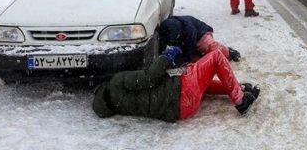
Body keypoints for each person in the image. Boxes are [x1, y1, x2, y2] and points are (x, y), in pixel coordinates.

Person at [92, 46, 260, 122]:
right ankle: (240, 101)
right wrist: (166, 55)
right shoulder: (116, 82)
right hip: (180, 91)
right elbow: (150, 77)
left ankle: (240, 88)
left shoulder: (117, 104)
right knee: (215, 57)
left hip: (181, 110)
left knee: (198, 79)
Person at [158, 15, 241, 66]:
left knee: (209, 47)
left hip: (201, 34)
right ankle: (205, 57)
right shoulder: (166, 29)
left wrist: (183, 59)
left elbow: (190, 47)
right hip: (187, 44)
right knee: (197, 63)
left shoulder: (188, 28)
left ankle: (227, 52)